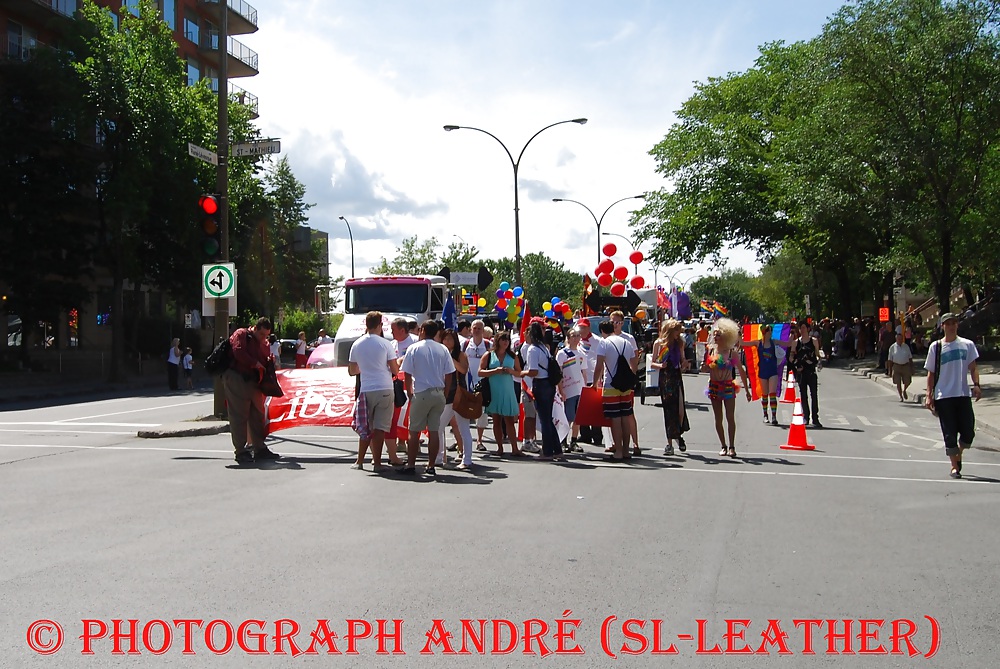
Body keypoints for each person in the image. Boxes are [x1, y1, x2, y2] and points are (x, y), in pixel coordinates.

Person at [925, 313, 982, 479]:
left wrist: (976, 386)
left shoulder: (967, 345)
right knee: (949, 432)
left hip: (962, 393)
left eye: (954, 323)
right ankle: (954, 466)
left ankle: (959, 453)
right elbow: (931, 374)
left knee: (968, 432)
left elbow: (973, 368)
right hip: (944, 396)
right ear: (942, 326)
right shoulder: (936, 347)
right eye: (948, 323)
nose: (951, 326)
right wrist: (929, 395)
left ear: (957, 325)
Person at [399, 320, 455, 477]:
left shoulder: (414, 348)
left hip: (422, 391)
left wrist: (410, 392)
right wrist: (445, 392)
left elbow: (408, 374)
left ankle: (411, 464)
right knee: (434, 430)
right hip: (438, 392)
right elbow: (450, 373)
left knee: (414, 430)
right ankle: (431, 465)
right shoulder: (443, 349)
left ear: (422, 330)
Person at [347, 311, 399, 472]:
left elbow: (352, 370)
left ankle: (359, 460)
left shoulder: (357, 344)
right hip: (384, 386)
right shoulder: (385, 344)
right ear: (379, 325)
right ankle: (377, 463)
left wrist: (365, 368)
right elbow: (395, 369)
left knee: (365, 427)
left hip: (366, 388)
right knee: (380, 428)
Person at [224, 317, 280, 464]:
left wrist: (268, 360)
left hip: (253, 380)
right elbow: (238, 352)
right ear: (255, 328)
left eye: (266, 335)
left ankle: (259, 448)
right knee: (239, 415)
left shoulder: (262, 343)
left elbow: (263, 359)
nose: (264, 338)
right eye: (262, 334)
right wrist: (255, 363)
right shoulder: (241, 334)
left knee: (257, 414)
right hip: (237, 377)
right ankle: (241, 451)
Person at [702, 317, 751, 458]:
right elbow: (705, 369)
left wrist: (747, 391)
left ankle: (732, 446)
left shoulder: (731, 352)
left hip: (728, 386)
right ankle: (723, 445)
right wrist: (704, 367)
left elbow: (741, 371)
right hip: (714, 386)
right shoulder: (710, 351)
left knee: (730, 417)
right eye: (714, 334)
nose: (715, 337)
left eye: (718, 335)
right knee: (718, 418)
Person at [592, 320, 638, 461]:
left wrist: (594, 383)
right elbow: (634, 362)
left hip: (611, 385)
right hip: (625, 386)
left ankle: (617, 451)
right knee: (625, 416)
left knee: (615, 419)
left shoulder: (604, 343)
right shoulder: (626, 342)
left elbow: (599, 365)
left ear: (602, 332)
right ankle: (625, 450)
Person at [523, 321, 563, 461]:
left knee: (544, 420)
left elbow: (533, 371)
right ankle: (557, 449)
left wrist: (521, 373)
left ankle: (547, 452)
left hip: (540, 384)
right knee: (548, 419)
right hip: (549, 384)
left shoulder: (532, 349)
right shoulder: (544, 348)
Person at [479, 330, 524, 457]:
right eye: (503, 339)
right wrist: (495, 371)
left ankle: (515, 448)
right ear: (497, 341)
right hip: (494, 390)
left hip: (507, 390)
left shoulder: (512, 356)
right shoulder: (489, 355)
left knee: (510, 420)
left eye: (507, 340)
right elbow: (480, 372)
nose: (505, 342)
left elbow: (519, 373)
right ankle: (500, 448)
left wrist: (511, 371)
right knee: (496, 420)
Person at [650, 319, 690, 455]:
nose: (679, 333)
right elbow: (652, 363)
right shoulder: (659, 343)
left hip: (676, 376)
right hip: (665, 377)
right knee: (668, 410)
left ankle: (677, 434)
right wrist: (660, 365)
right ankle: (669, 443)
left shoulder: (680, 343)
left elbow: (682, 360)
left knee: (680, 410)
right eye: (677, 330)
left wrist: (685, 363)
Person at [437, 329, 475, 470]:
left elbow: (464, 370)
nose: (447, 342)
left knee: (464, 428)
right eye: (445, 339)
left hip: (459, 396)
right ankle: (439, 457)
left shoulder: (460, 355)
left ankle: (467, 459)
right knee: (439, 427)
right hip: (446, 396)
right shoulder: (439, 354)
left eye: (450, 339)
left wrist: (451, 359)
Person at [743, 324, 793, 426]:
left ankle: (774, 416)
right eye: (768, 331)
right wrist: (739, 335)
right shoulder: (758, 343)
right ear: (764, 333)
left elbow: (788, 344)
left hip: (772, 371)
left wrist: (792, 333)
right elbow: (742, 343)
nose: (770, 333)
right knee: (765, 395)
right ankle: (765, 415)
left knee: (772, 394)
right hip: (763, 372)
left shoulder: (773, 342)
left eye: (771, 331)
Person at [610, 311, 641, 456]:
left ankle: (635, 443)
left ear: (622, 323)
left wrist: (632, 378)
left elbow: (634, 359)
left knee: (628, 414)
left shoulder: (628, 338)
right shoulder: (607, 338)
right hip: (612, 381)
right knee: (614, 413)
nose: (615, 325)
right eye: (612, 322)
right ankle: (616, 444)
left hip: (625, 381)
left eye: (617, 322)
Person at [556, 328, 587, 452]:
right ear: (568, 338)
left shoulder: (582, 354)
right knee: (566, 418)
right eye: (573, 336)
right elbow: (558, 372)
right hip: (567, 390)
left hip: (579, 390)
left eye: (578, 335)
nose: (576, 338)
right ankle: (563, 441)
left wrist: (585, 389)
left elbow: (584, 373)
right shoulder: (562, 353)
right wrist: (560, 390)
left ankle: (573, 441)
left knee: (577, 418)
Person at [463, 319, 492, 450]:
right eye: (474, 328)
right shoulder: (465, 344)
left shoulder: (488, 345)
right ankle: (463, 441)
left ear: (483, 330)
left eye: (479, 328)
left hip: (483, 383)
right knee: (464, 413)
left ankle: (479, 441)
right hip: (467, 383)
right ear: (471, 329)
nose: (476, 330)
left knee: (482, 413)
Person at [576, 318, 605, 447]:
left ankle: (597, 435)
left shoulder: (598, 341)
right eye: (580, 328)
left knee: (594, 407)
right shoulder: (575, 341)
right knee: (581, 407)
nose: (581, 330)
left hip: (594, 377)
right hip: (580, 378)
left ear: (588, 328)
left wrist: (600, 377)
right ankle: (585, 434)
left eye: (583, 328)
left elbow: (602, 360)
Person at [789, 321, 823, 428]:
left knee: (814, 395)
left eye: (804, 327)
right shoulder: (796, 342)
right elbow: (791, 357)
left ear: (808, 329)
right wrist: (796, 363)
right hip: (801, 373)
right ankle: (806, 417)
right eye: (800, 328)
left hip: (811, 371)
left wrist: (817, 362)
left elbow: (817, 355)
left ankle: (815, 418)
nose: (802, 330)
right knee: (803, 395)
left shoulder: (814, 341)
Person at [887, 331, 914, 402]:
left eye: (901, 339)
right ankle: (901, 396)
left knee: (908, 381)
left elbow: (910, 357)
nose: (900, 340)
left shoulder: (906, 346)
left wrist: (912, 368)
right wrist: (889, 370)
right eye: (899, 339)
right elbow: (890, 360)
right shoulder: (892, 347)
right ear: (896, 339)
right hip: (896, 366)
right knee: (898, 382)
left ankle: (904, 390)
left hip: (905, 366)